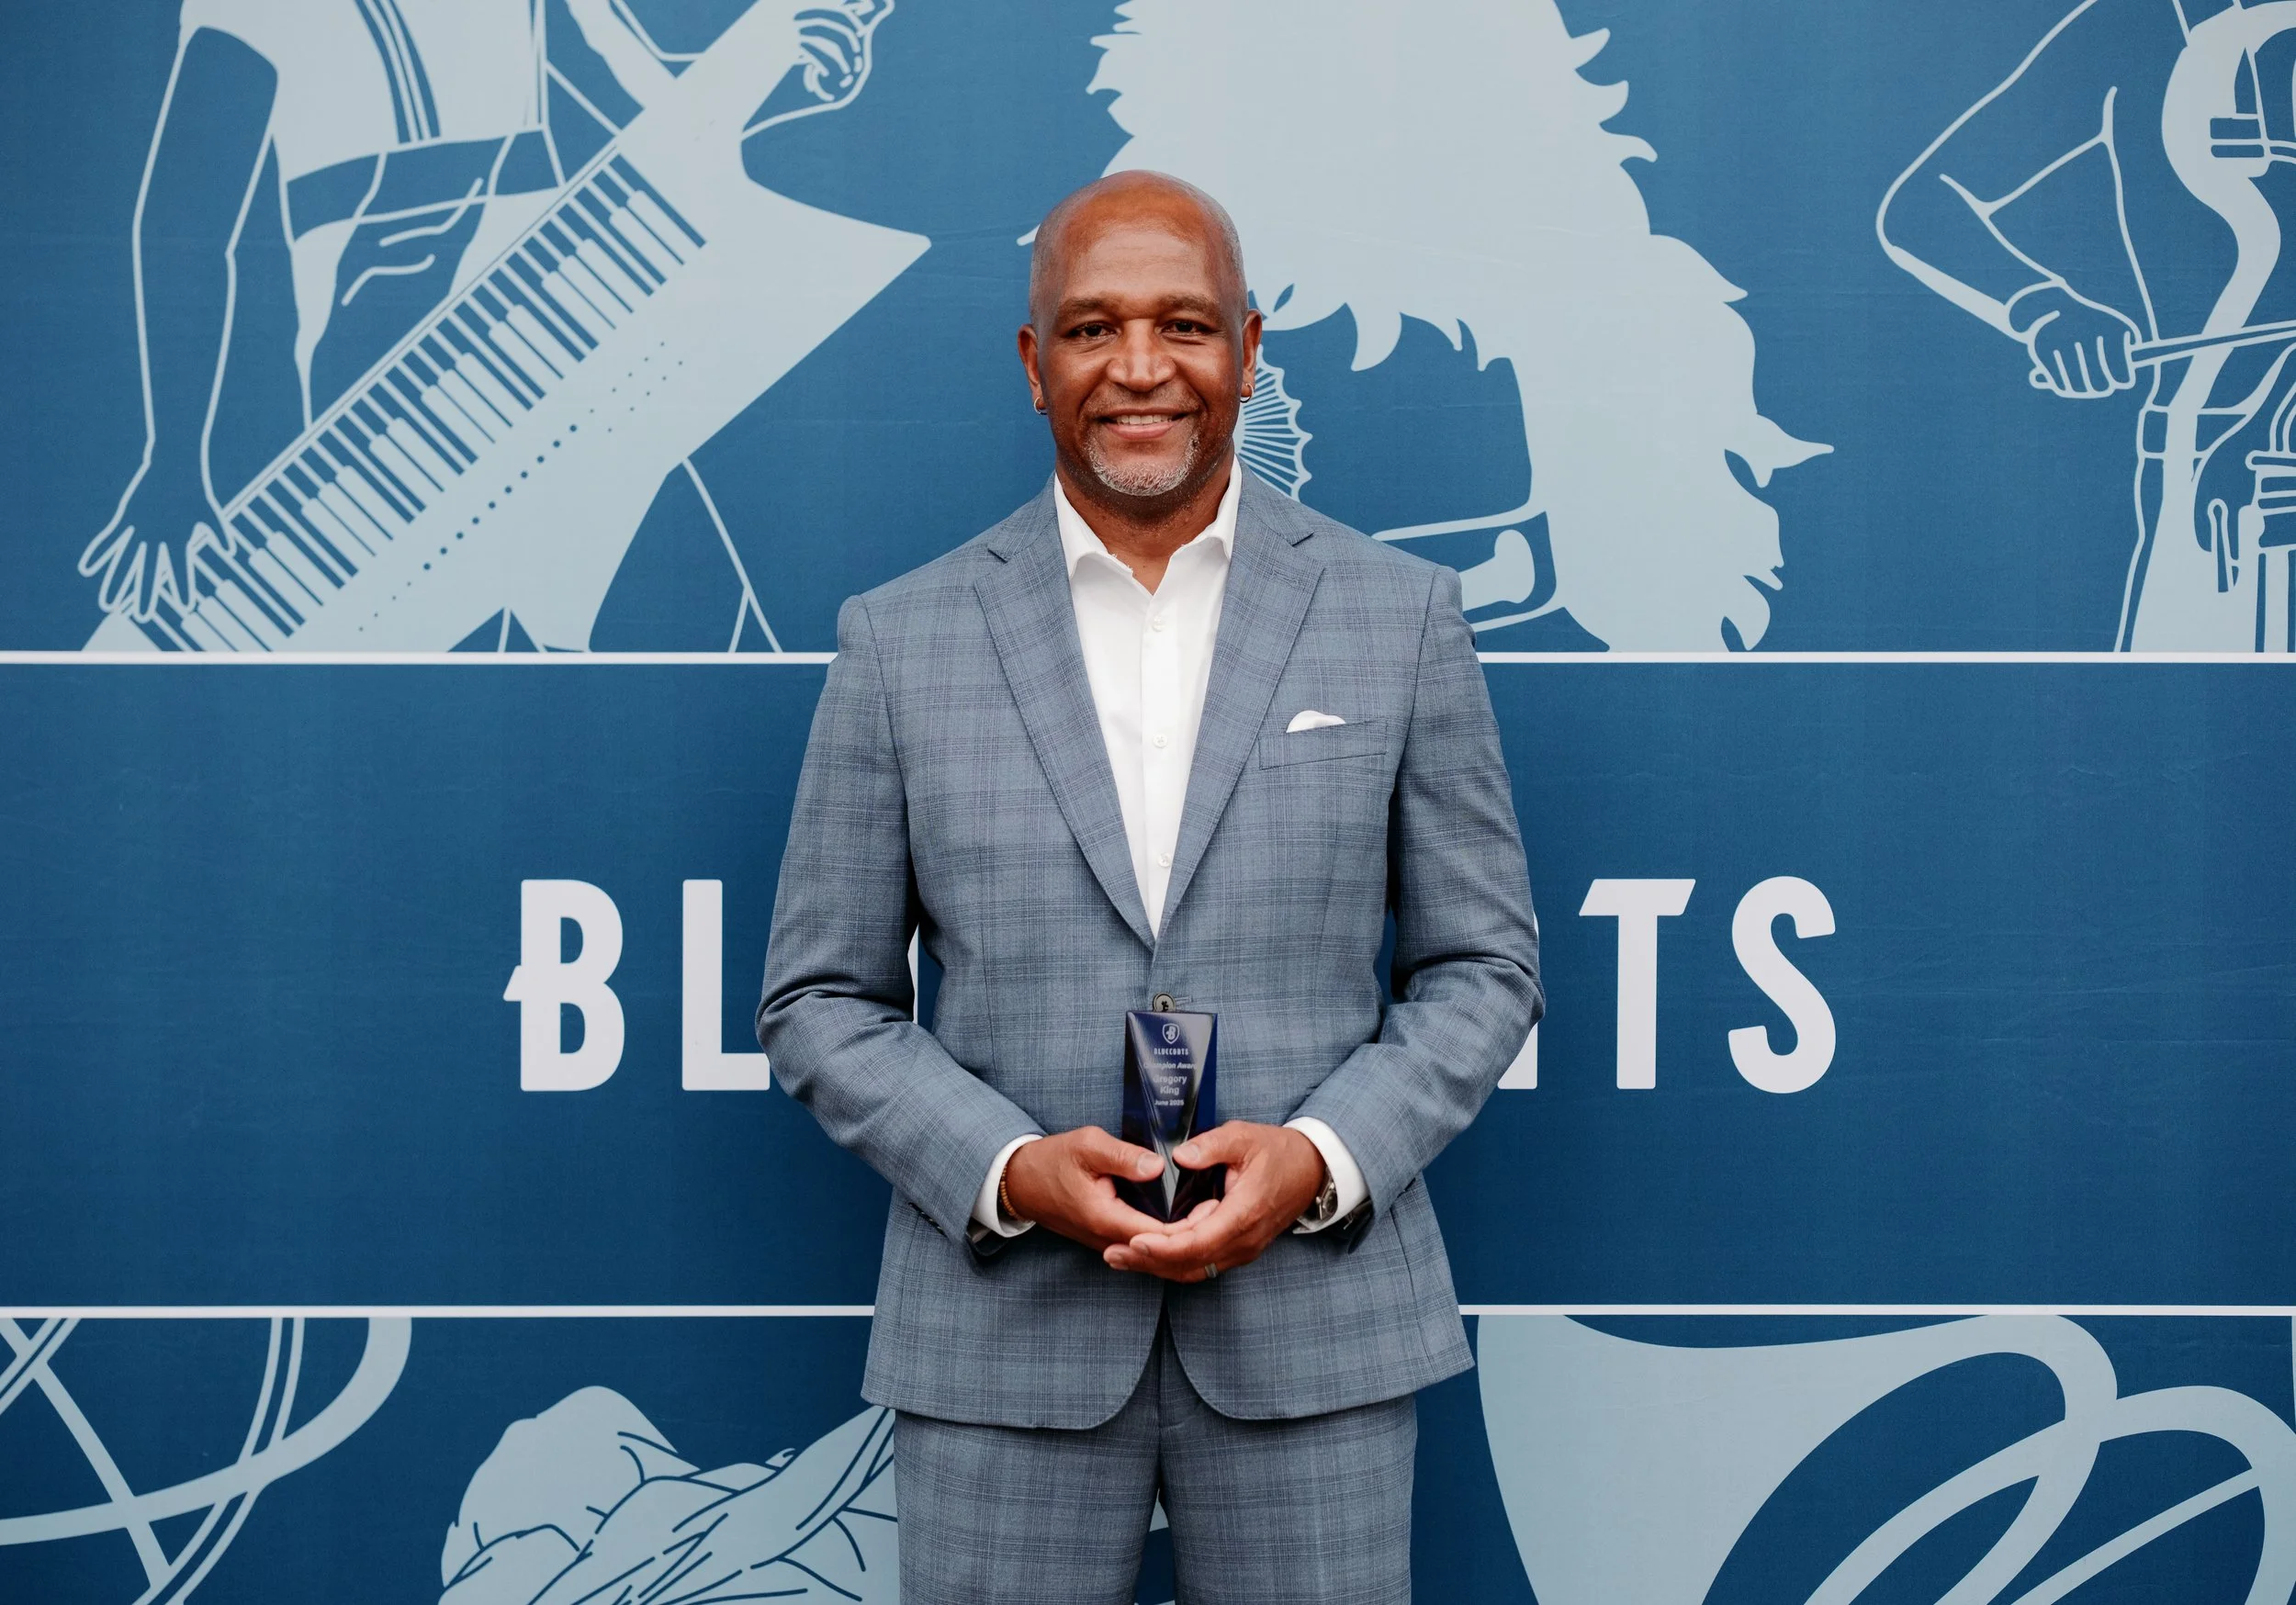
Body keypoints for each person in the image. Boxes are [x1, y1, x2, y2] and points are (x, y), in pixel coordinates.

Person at [756, 170, 1542, 1603]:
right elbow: (821, 1000)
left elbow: (1482, 967)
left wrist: (1320, 1158)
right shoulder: (901, 640)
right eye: (1090, 327)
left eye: (1183, 325)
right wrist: (1005, 1172)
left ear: (1247, 349)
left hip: (1320, 1335)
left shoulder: (1400, 618)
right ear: (1032, 360)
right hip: (1004, 1347)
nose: (1138, 369)